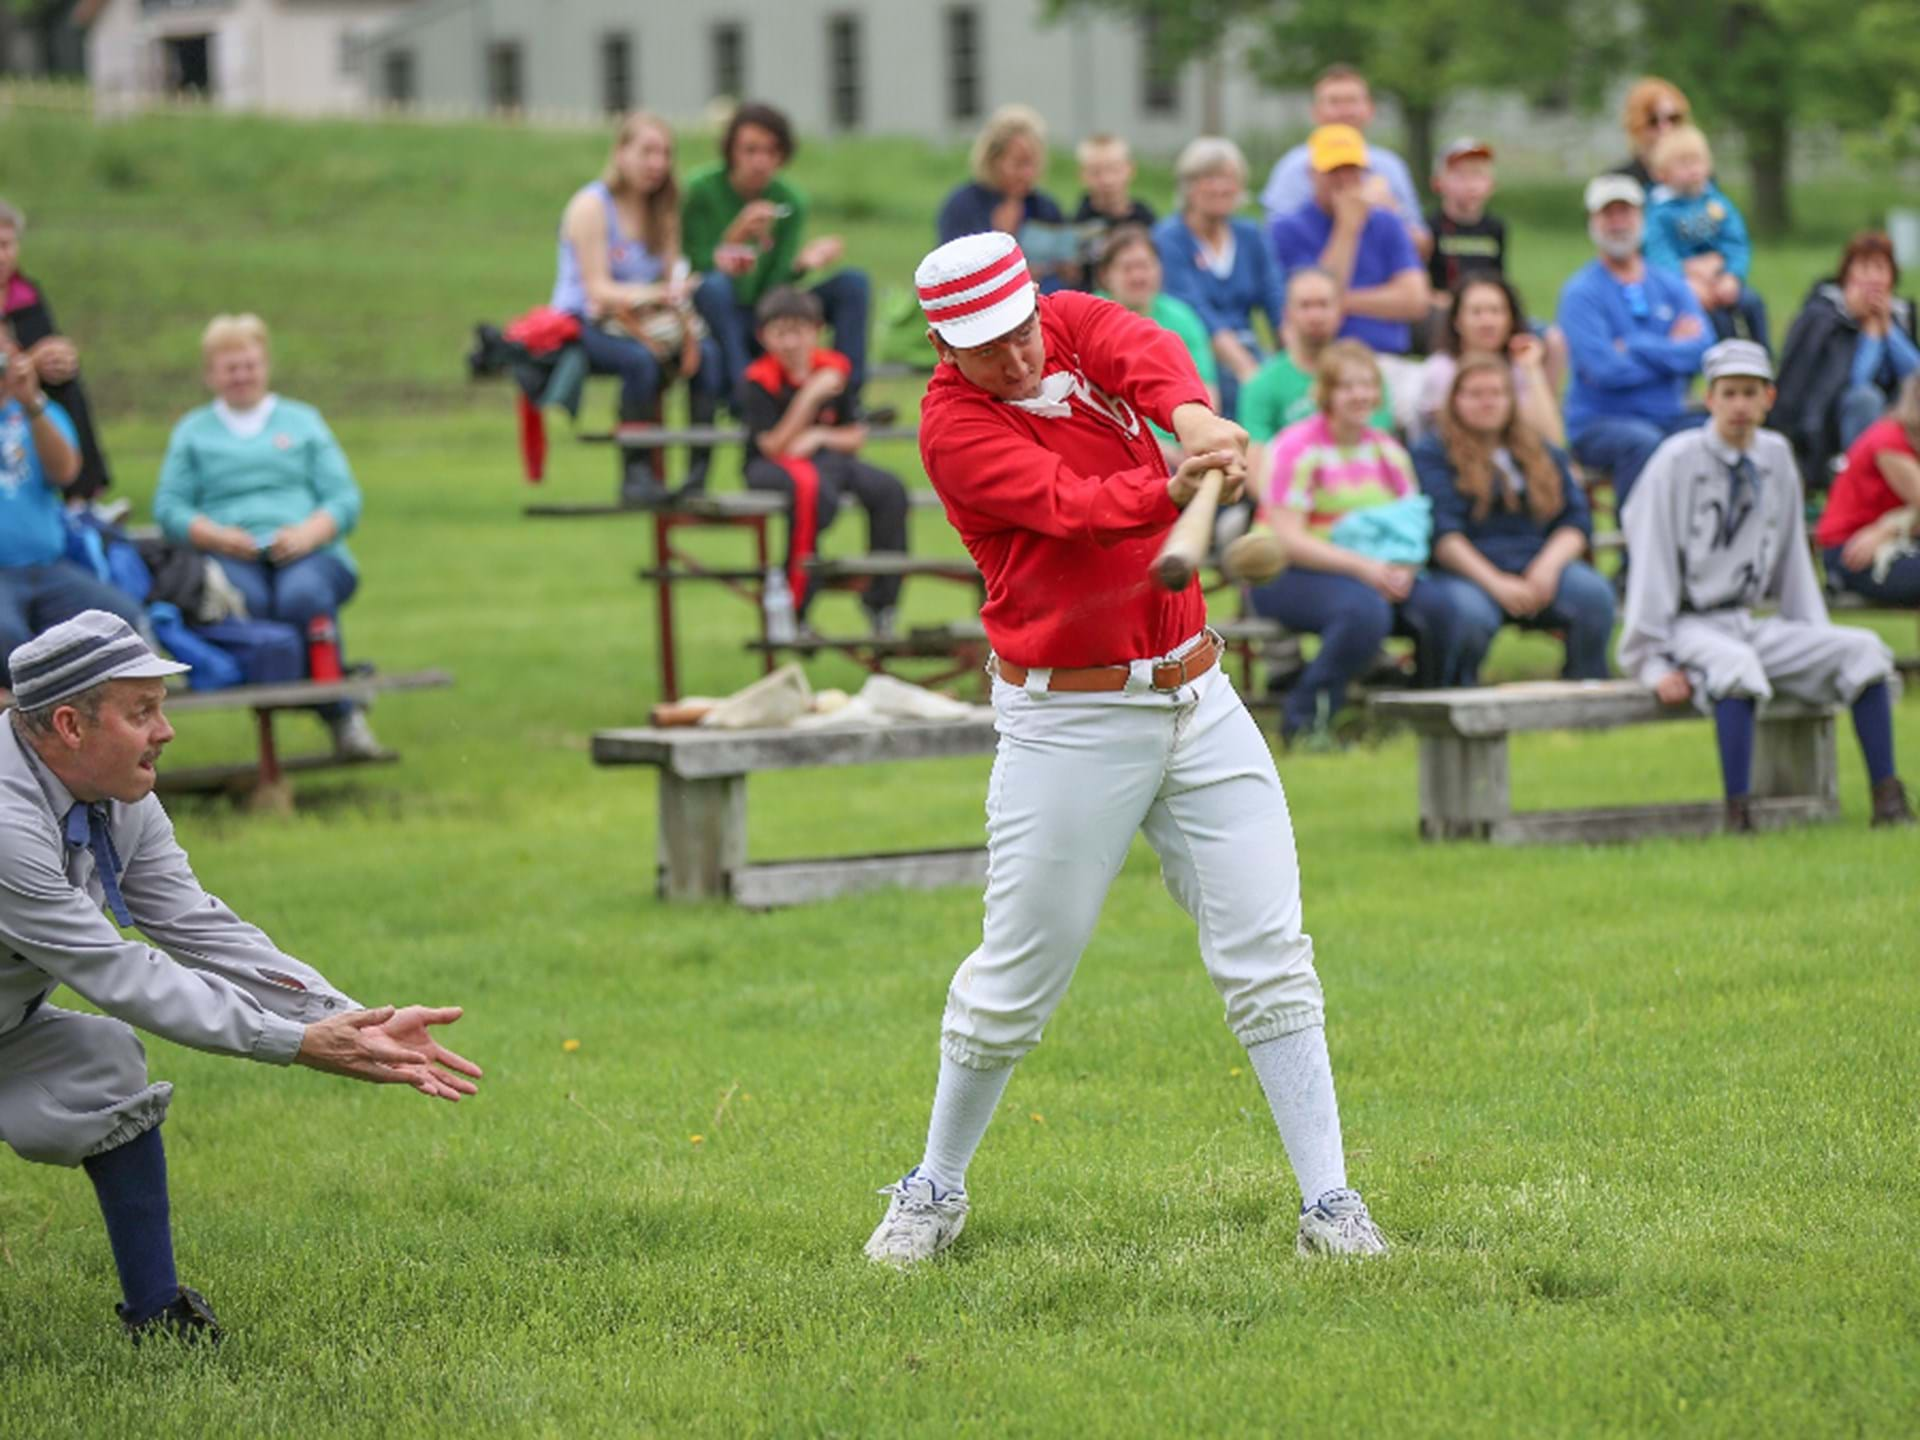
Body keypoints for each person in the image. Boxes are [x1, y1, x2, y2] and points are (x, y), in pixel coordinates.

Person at [862, 232, 1387, 1267]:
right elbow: (1071, 510)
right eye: (984, 347)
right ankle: (934, 1187)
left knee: (1272, 955)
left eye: (1019, 333)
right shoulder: (953, 427)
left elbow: (1139, 347)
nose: (1013, 358)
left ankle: (1330, 1203)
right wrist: (1175, 487)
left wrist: (1195, 421)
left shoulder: (1063, 320)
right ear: (941, 344)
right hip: (1070, 722)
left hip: (1197, 693)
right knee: (1016, 978)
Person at [0, 611, 483, 1340]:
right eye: (142, 713)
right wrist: (293, 1042)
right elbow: (119, 970)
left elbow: (202, 927)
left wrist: (350, 1017)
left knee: (101, 1061)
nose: (166, 732)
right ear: (69, 725)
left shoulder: (117, 799)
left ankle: (159, 1317)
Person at [1618, 340, 1913, 830]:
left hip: (1748, 619)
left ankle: (1887, 797)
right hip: (1688, 624)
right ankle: (1740, 811)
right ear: (1709, 399)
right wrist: (1650, 658)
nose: (1738, 405)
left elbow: (1793, 556)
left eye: (1749, 393)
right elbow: (1650, 556)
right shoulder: (1675, 461)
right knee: (1736, 665)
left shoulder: (1776, 457)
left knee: (1864, 650)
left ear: (1768, 399)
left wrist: (1812, 634)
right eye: (1728, 393)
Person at [152, 314, 380, 759]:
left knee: (303, 597)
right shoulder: (194, 432)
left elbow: (343, 497)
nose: (241, 375)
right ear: (210, 374)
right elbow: (169, 508)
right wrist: (216, 536)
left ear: (266, 365)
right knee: (250, 604)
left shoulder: (302, 422)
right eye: (229, 367)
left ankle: (340, 714)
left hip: (307, 550)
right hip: (231, 553)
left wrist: (308, 533)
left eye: (249, 364)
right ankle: (329, 700)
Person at [1246, 341, 1467, 746]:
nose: (1361, 395)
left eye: (1368, 385)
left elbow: (1411, 524)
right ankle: (1307, 719)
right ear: (1326, 393)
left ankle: (1421, 715)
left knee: (1444, 609)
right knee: (1365, 613)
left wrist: (1406, 567)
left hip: (1377, 569)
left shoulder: (1388, 450)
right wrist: (1364, 569)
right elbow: (1287, 537)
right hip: (1290, 573)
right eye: (1348, 386)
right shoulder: (1295, 447)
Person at [551, 111, 724, 505]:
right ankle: (636, 473)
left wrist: (680, 289)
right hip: (587, 318)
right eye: (647, 152)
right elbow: (597, 288)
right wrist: (654, 294)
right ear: (620, 152)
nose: (657, 164)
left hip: (646, 317)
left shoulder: (662, 209)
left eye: (665, 154)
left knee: (708, 354)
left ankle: (698, 473)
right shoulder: (591, 206)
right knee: (639, 362)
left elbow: (671, 273)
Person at [1415, 355, 1614, 684]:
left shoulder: (1541, 450)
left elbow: (1575, 519)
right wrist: (1496, 583)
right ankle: (1457, 700)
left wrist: (1547, 567)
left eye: (1496, 393)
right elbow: (1443, 534)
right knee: (1468, 614)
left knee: (1593, 596)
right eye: (1475, 394)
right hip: (1467, 571)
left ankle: (1585, 693)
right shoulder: (1433, 453)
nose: (1487, 402)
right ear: (1455, 400)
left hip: (1537, 564)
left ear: (1511, 399)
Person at [739, 288, 909, 638]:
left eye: (798, 331)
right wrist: (808, 397)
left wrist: (819, 438)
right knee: (812, 492)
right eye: (780, 333)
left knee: (890, 490)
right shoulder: (758, 380)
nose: (790, 342)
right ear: (763, 337)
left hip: (827, 459)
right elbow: (773, 446)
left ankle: (882, 604)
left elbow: (853, 437)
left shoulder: (834, 370)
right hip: (772, 467)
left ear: (817, 331)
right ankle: (795, 605)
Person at [684, 102, 870, 413]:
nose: (760, 162)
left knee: (853, 283)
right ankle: (745, 396)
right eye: (750, 151)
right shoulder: (700, 189)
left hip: (768, 306)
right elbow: (693, 267)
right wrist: (735, 238)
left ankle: (845, 397)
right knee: (714, 288)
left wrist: (799, 266)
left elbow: (776, 288)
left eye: (770, 152)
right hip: (721, 310)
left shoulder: (790, 199)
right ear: (731, 151)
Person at [1557, 174, 1711, 509]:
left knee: (1719, 431)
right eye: (1608, 214)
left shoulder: (1671, 284)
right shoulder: (1581, 293)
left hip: (1669, 414)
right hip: (1601, 423)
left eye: (1625, 212)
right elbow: (1605, 370)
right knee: (1643, 444)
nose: (1618, 223)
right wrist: (1670, 351)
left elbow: (1702, 351)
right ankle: (1638, 552)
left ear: (1641, 217)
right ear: (1592, 223)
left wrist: (1637, 346)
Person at [0, 329, 148, 670]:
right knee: (7, 640)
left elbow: (65, 473)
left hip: (47, 567)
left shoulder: (42, 412)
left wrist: (31, 405)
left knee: (121, 622)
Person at [1267, 125, 1430, 422]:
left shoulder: (1387, 224)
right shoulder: (1287, 229)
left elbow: (1416, 300)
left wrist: (1342, 300)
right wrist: (1347, 228)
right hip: (1322, 360)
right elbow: (1318, 297)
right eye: (1334, 172)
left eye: (1353, 171)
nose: (1345, 181)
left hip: (1386, 357)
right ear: (1312, 175)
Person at [1153, 136, 1286, 421]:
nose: (1220, 187)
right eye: (1209, 178)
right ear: (1188, 186)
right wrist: (1247, 369)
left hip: (1248, 345)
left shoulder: (1250, 235)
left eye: (1229, 178)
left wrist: (1295, 357)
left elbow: (1275, 297)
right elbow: (1195, 312)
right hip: (1197, 353)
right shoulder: (1169, 239)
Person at [1774, 232, 1920, 487]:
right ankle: (1861, 480)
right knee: (1866, 398)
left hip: (1895, 409)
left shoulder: (1899, 315)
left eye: (1880, 268)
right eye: (1864, 268)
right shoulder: (1826, 314)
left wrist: (1887, 328)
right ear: (1847, 274)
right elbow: (1855, 380)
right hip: (1831, 417)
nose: (1873, 278)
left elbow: (1914, 374)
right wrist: (1871, 334)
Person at [0, 199, 113, 502]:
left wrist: (60, 357)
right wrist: (31, 363)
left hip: (29, 394)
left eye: (7, 245)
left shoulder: (27, 294)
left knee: (66, 381)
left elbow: (45, 343)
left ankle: (83, 496)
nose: (1, 256)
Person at [1258, 63, 1429, 258]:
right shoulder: (1293, 167)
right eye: (1334, 102)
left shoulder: (1390, 167)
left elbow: (1421, 249)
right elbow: (1274, 248)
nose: (1345, 111)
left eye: (1352, 101)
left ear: (1370, 109)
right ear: (1316, 112)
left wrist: (1391, 214)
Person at [1093, 224, 1219, 450]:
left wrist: (1199, 437)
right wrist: (1162, 451)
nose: (1138, 276)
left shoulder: (1182, 317)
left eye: (1145, 266)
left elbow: (1206, 389)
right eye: (1127, 268)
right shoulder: (1090, 318)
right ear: (1105, 276)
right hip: (1120, 445)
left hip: (1184, 442)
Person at [1643, 126, 1768, 350]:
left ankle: (1763, 360)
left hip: (1722, 279)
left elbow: (1736, 242)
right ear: (1661, 172)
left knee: (1752, 303)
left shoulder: (1716, 203)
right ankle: (1722, 370)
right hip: (1685, 288)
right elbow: (1658, 255)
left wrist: (1732, 276)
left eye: (1697, 161)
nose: (1693, 170)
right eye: (1683, 164)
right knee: (1717, 321)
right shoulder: (1659, 212)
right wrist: (1686, 282)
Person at [1238, 267, 1391, 447]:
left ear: (1340, 311)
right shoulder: (1261, 384)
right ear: (1288, 314)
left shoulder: (1366, 378)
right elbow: (1257, 461)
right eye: (1305, 305)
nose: (1315, 316)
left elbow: (1379, 445)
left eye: (1323, 305)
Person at [937, 105, 1074, 291]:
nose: (1027, 174)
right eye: (1018, 164)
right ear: (992, 161)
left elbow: (1070, 276)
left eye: (1033, 164)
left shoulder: (1045, 207)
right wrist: (1004, 235)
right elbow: (950, 275)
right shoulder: (963, 207)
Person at [1415, 276, 1564, 445]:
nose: (1487, 322)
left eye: (1496, 311)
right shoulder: (1441, 370)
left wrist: (1532, 369)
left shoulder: (1518, 367)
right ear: (1457, 321)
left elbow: (1551, 440)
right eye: (1476, 312)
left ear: (1510, 320)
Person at [1816, 374, 1920, 607]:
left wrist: (1889, 529)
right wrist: (1892, 529)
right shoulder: (1891, 441)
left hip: (1889, 538)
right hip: (1853, 549)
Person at [1425, 139, 1506, 306]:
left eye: (1478, 174)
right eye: (1460, 175)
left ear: (1492, 184)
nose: (1471, 184)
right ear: (1438, 183)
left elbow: (1500, 280)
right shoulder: (1428, 227)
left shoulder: (1495, 228)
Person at [1611, 77, 1695, 192]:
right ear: (1635, 126)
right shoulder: (1617, 181)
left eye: (1673, 119)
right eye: (1653, 121)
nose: (1665, 128)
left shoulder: (1698, 175)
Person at [1073, 133, 1156, 232]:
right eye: (1096, 172)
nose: (1107, 180)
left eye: (1114, 169)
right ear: (1083, 175)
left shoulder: (1149, 225)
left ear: (1131, 169)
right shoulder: (1076, 228)